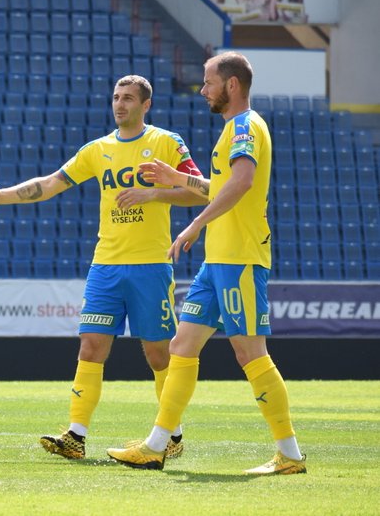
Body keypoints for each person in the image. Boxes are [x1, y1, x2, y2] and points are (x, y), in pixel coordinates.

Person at [0, 75, 205, 461]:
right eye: (116, 97)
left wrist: (155, 193)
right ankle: (75, 434)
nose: (120, 104)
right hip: (105, 265)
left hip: (149, 267)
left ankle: (171, 435)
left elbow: (198, 191)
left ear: (146, 105)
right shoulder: (98, 149)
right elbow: (52, 183)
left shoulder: (166, 142)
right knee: (90, 347)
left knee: (159, 355)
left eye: (128, 98)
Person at [107, 52, 307, 475]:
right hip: (218, 261)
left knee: (250, 352)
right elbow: (219, 184)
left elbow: (242, 181)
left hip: (240, 257)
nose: (202, 90)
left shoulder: (245, 126)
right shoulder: (234, 129)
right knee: (182, 346)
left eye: (208, 82)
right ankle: (157, 446)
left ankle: (289, 455)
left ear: (231, 85)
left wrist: (195, 222)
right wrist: (176, 179)